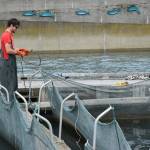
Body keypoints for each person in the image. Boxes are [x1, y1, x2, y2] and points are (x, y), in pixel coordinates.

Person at [0, 18, 21, 99]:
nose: (16, 29)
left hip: (9, 62)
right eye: (16, 27)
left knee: (11, 83)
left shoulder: (9, 35)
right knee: (7, 84)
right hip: (7, 63)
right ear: (11, 25)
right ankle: (8, 103)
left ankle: (10, 100)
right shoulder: (6, 35)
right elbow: (8, 50)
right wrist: (18, 52)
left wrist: (17, 50)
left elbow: (6, 49)